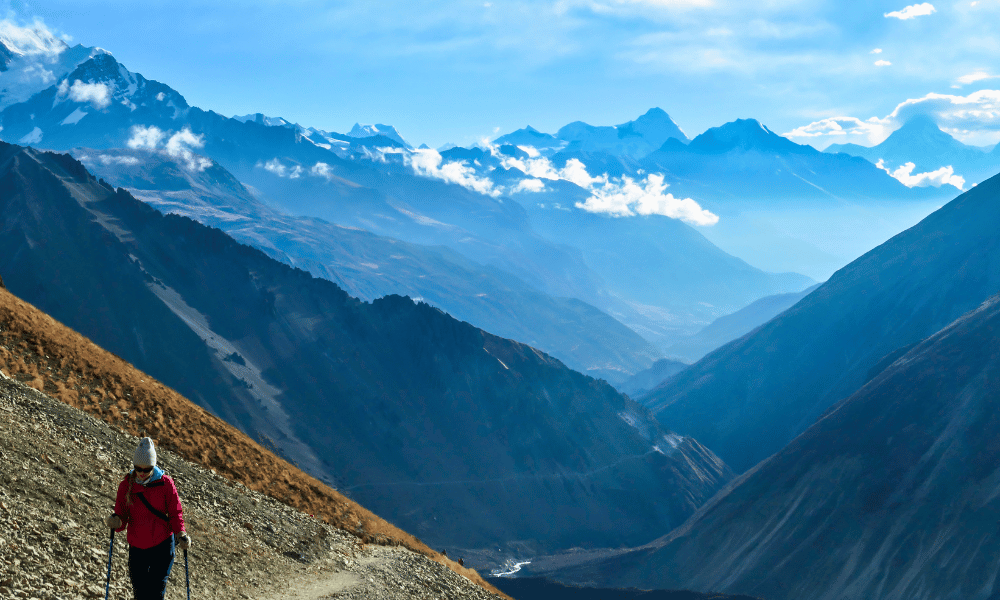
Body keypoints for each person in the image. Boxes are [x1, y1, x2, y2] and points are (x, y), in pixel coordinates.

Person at [104, 437, 192, 600]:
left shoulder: (165, 484)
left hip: (163, 545)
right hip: (137, 547)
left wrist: (180, 533)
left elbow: (175, 512)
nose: (142, 473)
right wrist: (116, 521)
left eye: (147, 469)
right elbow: (121, 515)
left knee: (156, 591)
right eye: (138, 469)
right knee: (140, 592)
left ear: (154, 466)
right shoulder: (127, 484)